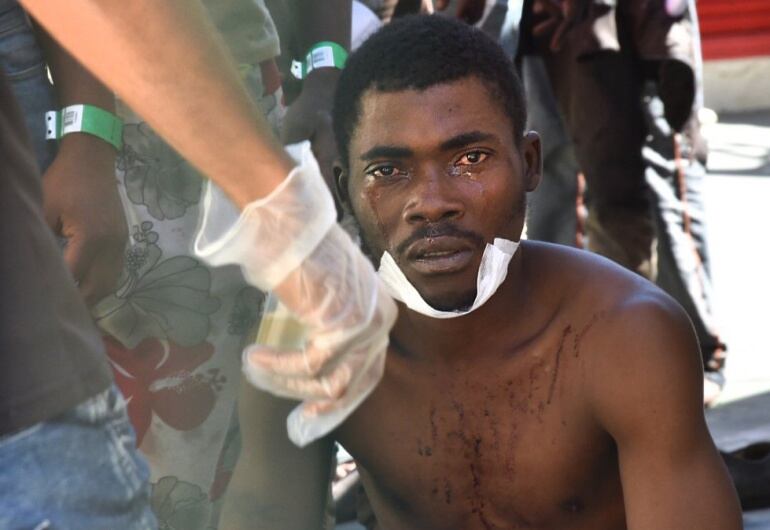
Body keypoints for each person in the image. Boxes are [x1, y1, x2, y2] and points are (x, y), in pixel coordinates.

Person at [225, 15, 742, 530]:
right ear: (345, 189)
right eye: (388, 171)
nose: (431, 203)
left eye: (471, 158)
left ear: (530, 162)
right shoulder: (310, 339)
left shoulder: (625, 337)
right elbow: (265, 512)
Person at [3, 0, 396, 526]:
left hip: (196, 105)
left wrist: (324, 68)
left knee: (224, 466)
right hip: (144, 114)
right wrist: (288, 216)